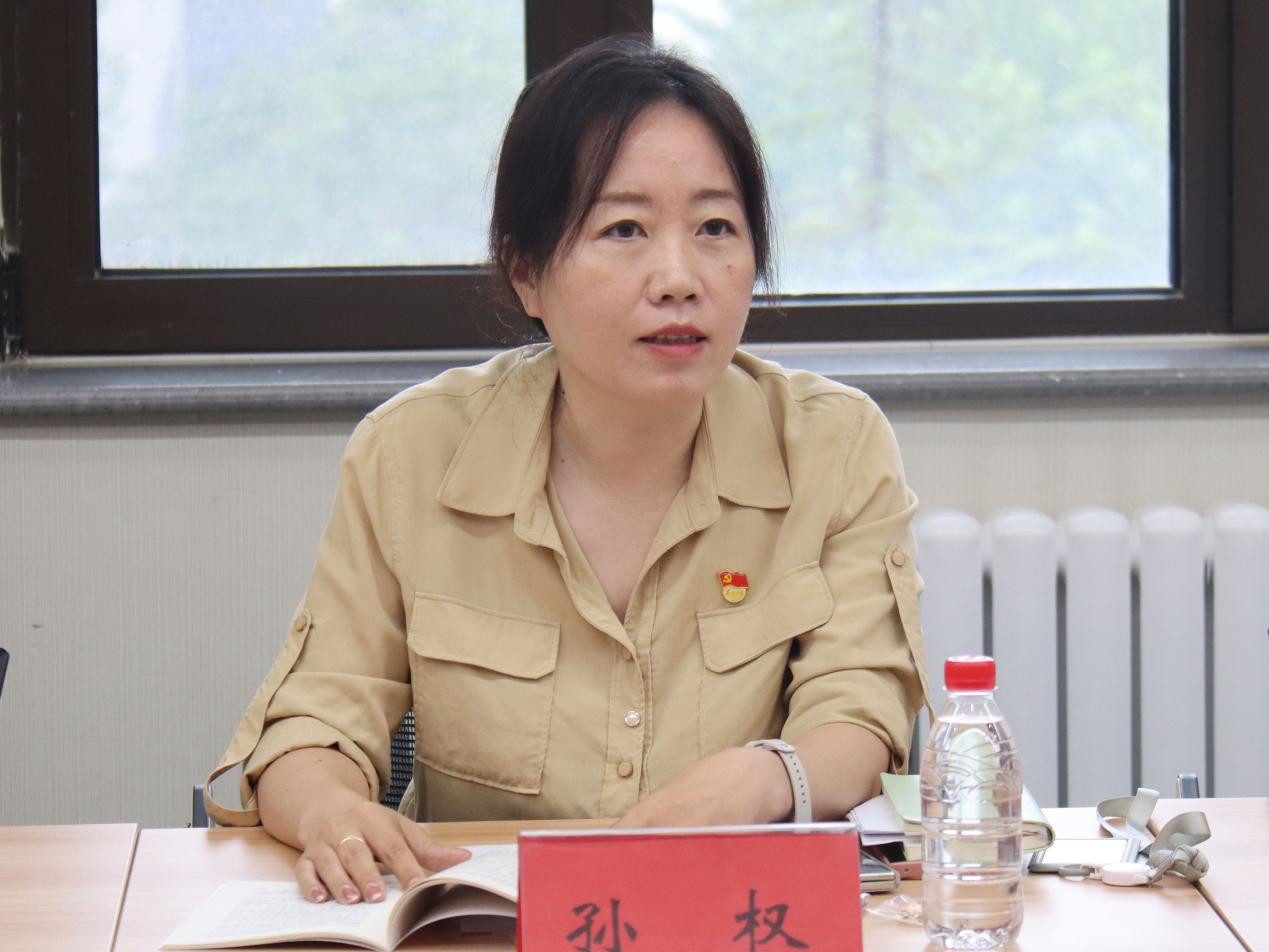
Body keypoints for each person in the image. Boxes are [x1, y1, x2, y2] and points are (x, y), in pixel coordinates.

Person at [205, 34, 931, 907]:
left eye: (715, 228)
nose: (678, 277)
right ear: (526, 272)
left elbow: (861, 714)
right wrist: (330, 810)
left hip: (733, 912)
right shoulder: (411, 453)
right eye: (623, 229)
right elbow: (313, 721)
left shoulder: (832, 445)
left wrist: (760, 778)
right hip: (491, 925)